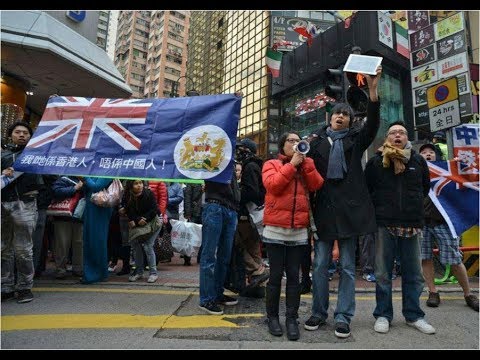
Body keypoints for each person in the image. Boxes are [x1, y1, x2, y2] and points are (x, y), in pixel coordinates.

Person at [304, 66, 382, 338]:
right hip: (325, 210)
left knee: (348, 267)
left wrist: (372, 92)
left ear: (350, 121)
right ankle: (318, 312)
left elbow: (372, 126)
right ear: (330, 117)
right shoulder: (316, 144)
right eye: (337, 113)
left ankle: (343, 316)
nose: (341, 117)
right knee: (321, 265)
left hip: (351, 211)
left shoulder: (355, 141)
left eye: (346, 115)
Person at [365, 121, 435, 335]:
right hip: (384, 224)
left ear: (407, 138)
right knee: (383, 274)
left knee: (414, 274)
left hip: (412, 224)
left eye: (402, 133)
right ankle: (383, 315)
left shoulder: (418, 161)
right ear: (387, 138)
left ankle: (414, 315)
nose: (397, 135)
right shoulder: (376, 162)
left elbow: (425, 188)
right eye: (393, 132)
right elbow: (368, 189)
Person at [262, 132, 324, 340]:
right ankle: (272, 317)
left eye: (299, 141)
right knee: (275, 276)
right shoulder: (271, 164)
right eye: (291, 140)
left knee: (295, 278)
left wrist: (304, 164)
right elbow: (273, 186)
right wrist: (291, 165)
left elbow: (317, 185)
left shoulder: (307, 164)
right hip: (275, 230)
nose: (296, 144)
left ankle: (291, 318)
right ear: (282, 145)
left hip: (298, 232)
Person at [418, 143, 478, 312]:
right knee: (425, 257)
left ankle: (468, 294)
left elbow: (466, 177)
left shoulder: (446, 174)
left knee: (454, 259)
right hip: (422, 223)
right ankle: (432, 292)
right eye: (423, 152)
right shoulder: (416, 172)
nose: (428, 154)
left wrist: (460, 165)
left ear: (437, 156)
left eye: (431, 152)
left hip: (443, 222)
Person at [1, 122, 39, 303]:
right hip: (3, 205)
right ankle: (5, 286)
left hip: (25, 205)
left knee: (23, 250)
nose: (22, 135)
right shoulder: (3, 155)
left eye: (25, 133)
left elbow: (48, 179)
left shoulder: (36, 155)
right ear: (11, 135)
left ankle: (24, 287)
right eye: (18, 132)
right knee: (3, 249)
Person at [199, 163, 240, 315]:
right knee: (209, 256)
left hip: (230, 209)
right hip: (214, 206)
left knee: (224, 257)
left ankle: (217, 293)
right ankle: (206, 299)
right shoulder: (213, 154)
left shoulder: (231, 156)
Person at [235, 138, 269, 288]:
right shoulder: (256, 165)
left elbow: (251, 192)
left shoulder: (250, 167)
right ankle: (259, 285)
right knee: (254, 248)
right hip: (253, 215)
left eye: (240, 149)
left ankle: (257, 271)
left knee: (237, 245)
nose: (238, 152)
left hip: (247, 214)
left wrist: (237, 194)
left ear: (247, 150)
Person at [121, 180, 161, 283]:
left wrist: (145, 218)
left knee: (148, 246)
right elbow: (129, 211)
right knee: (135, 244)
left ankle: (153, 273)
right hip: (139, 224)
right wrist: (136, 220)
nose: (139, 185)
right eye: (136, 183)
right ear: (130, 185)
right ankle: (139, 272)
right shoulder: (127, 196)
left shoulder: (148, 193)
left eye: (140, 183)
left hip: (153, 223)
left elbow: (155, 209)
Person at [82, 177, 114, 284]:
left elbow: (96, 186)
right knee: (89, 241)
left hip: (99, 208)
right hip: (91, 206)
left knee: (96, 241)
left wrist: (84, 178)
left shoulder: (107, 169)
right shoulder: (94, 169)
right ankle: (91, 273)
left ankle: (97, 274)